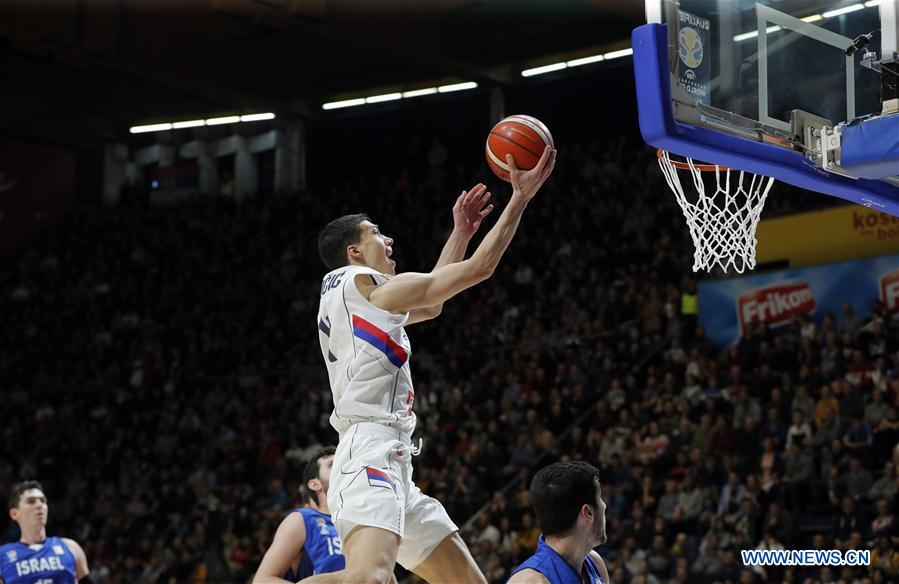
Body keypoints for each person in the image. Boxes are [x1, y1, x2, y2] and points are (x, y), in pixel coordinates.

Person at [308, 146, 556, 584]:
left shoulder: (362, 296)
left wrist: (460, 232)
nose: (389, 241)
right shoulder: (359, 283)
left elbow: (433, 303)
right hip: (368, 453)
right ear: (353, 251)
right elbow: (479, 270)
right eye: (377, 234)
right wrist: (520, 198)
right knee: (370, 579)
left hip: (395, 460)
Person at [508, 462, 611, 584]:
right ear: (587, 512)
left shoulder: (595, 562)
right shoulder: (530, 581)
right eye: (599, 497)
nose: (604, 505)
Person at [254, 447, 345, 583]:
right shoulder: (302, 519)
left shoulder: (362, 520)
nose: (341, 466)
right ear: (315, 484)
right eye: (332, 464)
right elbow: (262, 580)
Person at [0, 481, 90, 584]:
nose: (39, 505)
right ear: (14, 514)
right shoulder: (2, 556)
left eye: (43, 501)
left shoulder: (71, 548)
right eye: (31, 501)